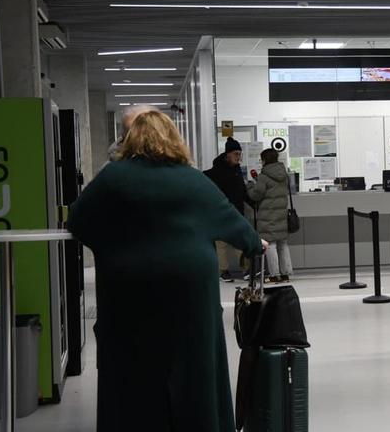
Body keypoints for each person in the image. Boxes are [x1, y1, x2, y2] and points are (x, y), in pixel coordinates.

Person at [68, 111, 265, 432]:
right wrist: (256, 244)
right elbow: (234, 224)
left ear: (131, 139)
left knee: (130, 371)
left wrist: (111, 247)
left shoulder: (113, 177)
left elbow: (78, 221)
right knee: (194, 369)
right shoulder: (193, 180)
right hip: (190, 289)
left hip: (127, 288)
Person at [205, 137, 252, 282]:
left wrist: (252, 202)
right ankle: (223, 271)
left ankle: (246, 269)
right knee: (221, 243)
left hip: (237, 211)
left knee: (240, 242)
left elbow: (241, 191)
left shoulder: (237, 170)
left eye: (240, 154)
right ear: (228, 154)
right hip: (220, 213)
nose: (239, 157)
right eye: (236, 154)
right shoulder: (216, 171)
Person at [247, 148, 293, 283]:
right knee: (282, 244)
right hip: (281, 215)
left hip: (268, 216)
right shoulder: (284, 175)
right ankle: (285, 274)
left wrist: (250, 186)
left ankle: (274, 274)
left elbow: (256, 195)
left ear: (264, 160)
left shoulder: (264, 176)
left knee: (270, 244)